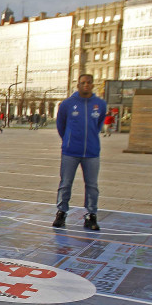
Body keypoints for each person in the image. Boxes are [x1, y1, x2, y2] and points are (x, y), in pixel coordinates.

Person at [53, 74, 105, 231]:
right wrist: (68, 140)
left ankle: (91, 215)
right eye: (83, 83)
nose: (86, 85)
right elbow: (61, 125)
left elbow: (99, 124)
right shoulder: (68, 104)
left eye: (89, 82)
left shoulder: (100, 104)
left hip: (91, 152)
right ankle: (61, 212)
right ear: (78, 85)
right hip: (70, 151)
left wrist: (90, 141)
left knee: (92, 185)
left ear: (93, 84)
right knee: (65, 183)